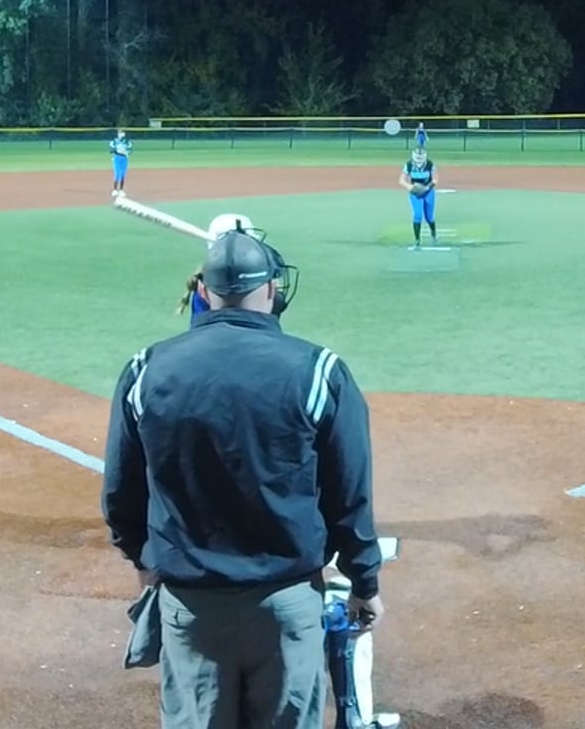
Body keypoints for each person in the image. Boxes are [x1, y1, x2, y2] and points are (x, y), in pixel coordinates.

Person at [103, 226, 384, 729]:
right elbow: (349, 495)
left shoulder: (147, 369)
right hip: (286, 604)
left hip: (191, 606)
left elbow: (121, 493)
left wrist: (142, 558)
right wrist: (364, 580)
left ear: (204, 291)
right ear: (272, 288)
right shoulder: (319, 371)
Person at [400, 147, 439, 248]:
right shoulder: (409, 165)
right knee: (418, 215)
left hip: (428, 192)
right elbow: (401, 180)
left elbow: (435, 179)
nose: (419, 160)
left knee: (429, 217)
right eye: (417, 158)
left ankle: (433, 233)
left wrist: (426, 188)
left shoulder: (430, 164)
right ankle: (417, 239)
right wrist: (411, 187)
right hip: (415, 193)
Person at [109, 130, 134, 201]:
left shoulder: (127, 142)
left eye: (122, 133)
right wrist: (116, 151)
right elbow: (111, 150)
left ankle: (121, 190)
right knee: (117, 174)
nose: (121, 134)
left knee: (123, 174)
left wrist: (127, 152)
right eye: (120, 133)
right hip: (117, 158)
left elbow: (130, 150)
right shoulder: (114, 141)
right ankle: (115, 189)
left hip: (124, 158)